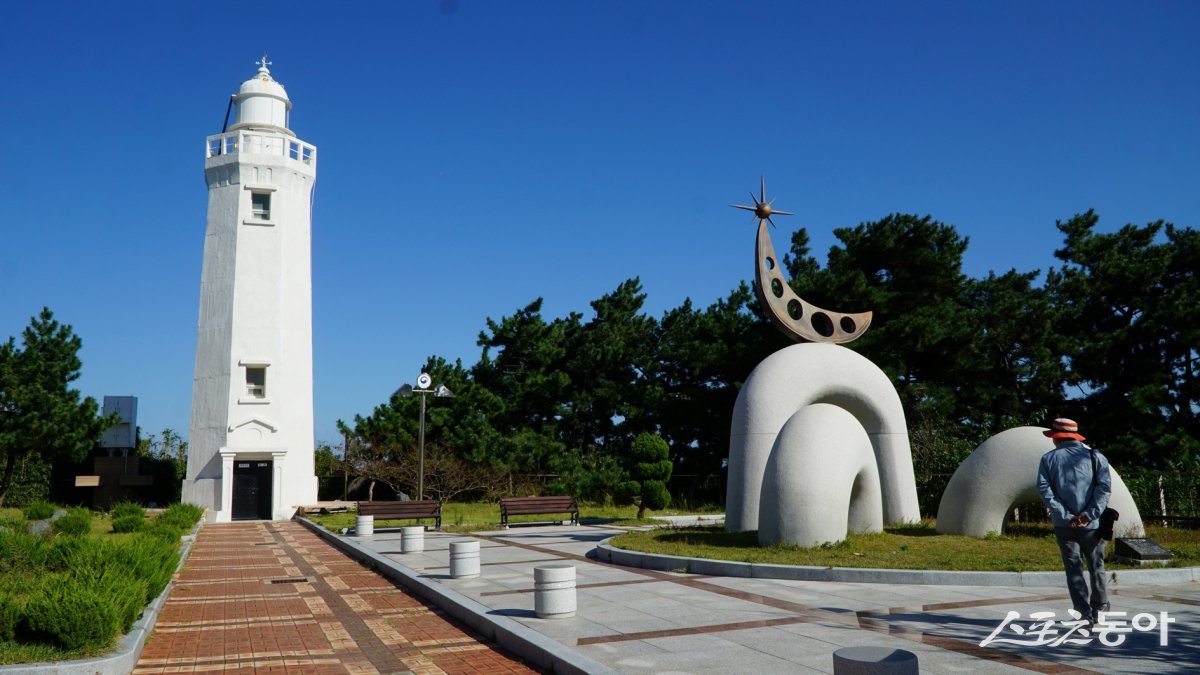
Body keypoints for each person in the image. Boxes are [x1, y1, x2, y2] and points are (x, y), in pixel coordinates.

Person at [1036, 418, 1111, 623]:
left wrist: (1065, 515)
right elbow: (1104, 489)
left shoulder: (1048, 459)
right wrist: (1088, 514)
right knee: (1097, 565)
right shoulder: (1095, 457)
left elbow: (1045, 490)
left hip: (1064, 525)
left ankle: (1083, 613)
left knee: (1073, 569)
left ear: (1057, 437)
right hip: (1092, 525)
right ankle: (1101, 608)